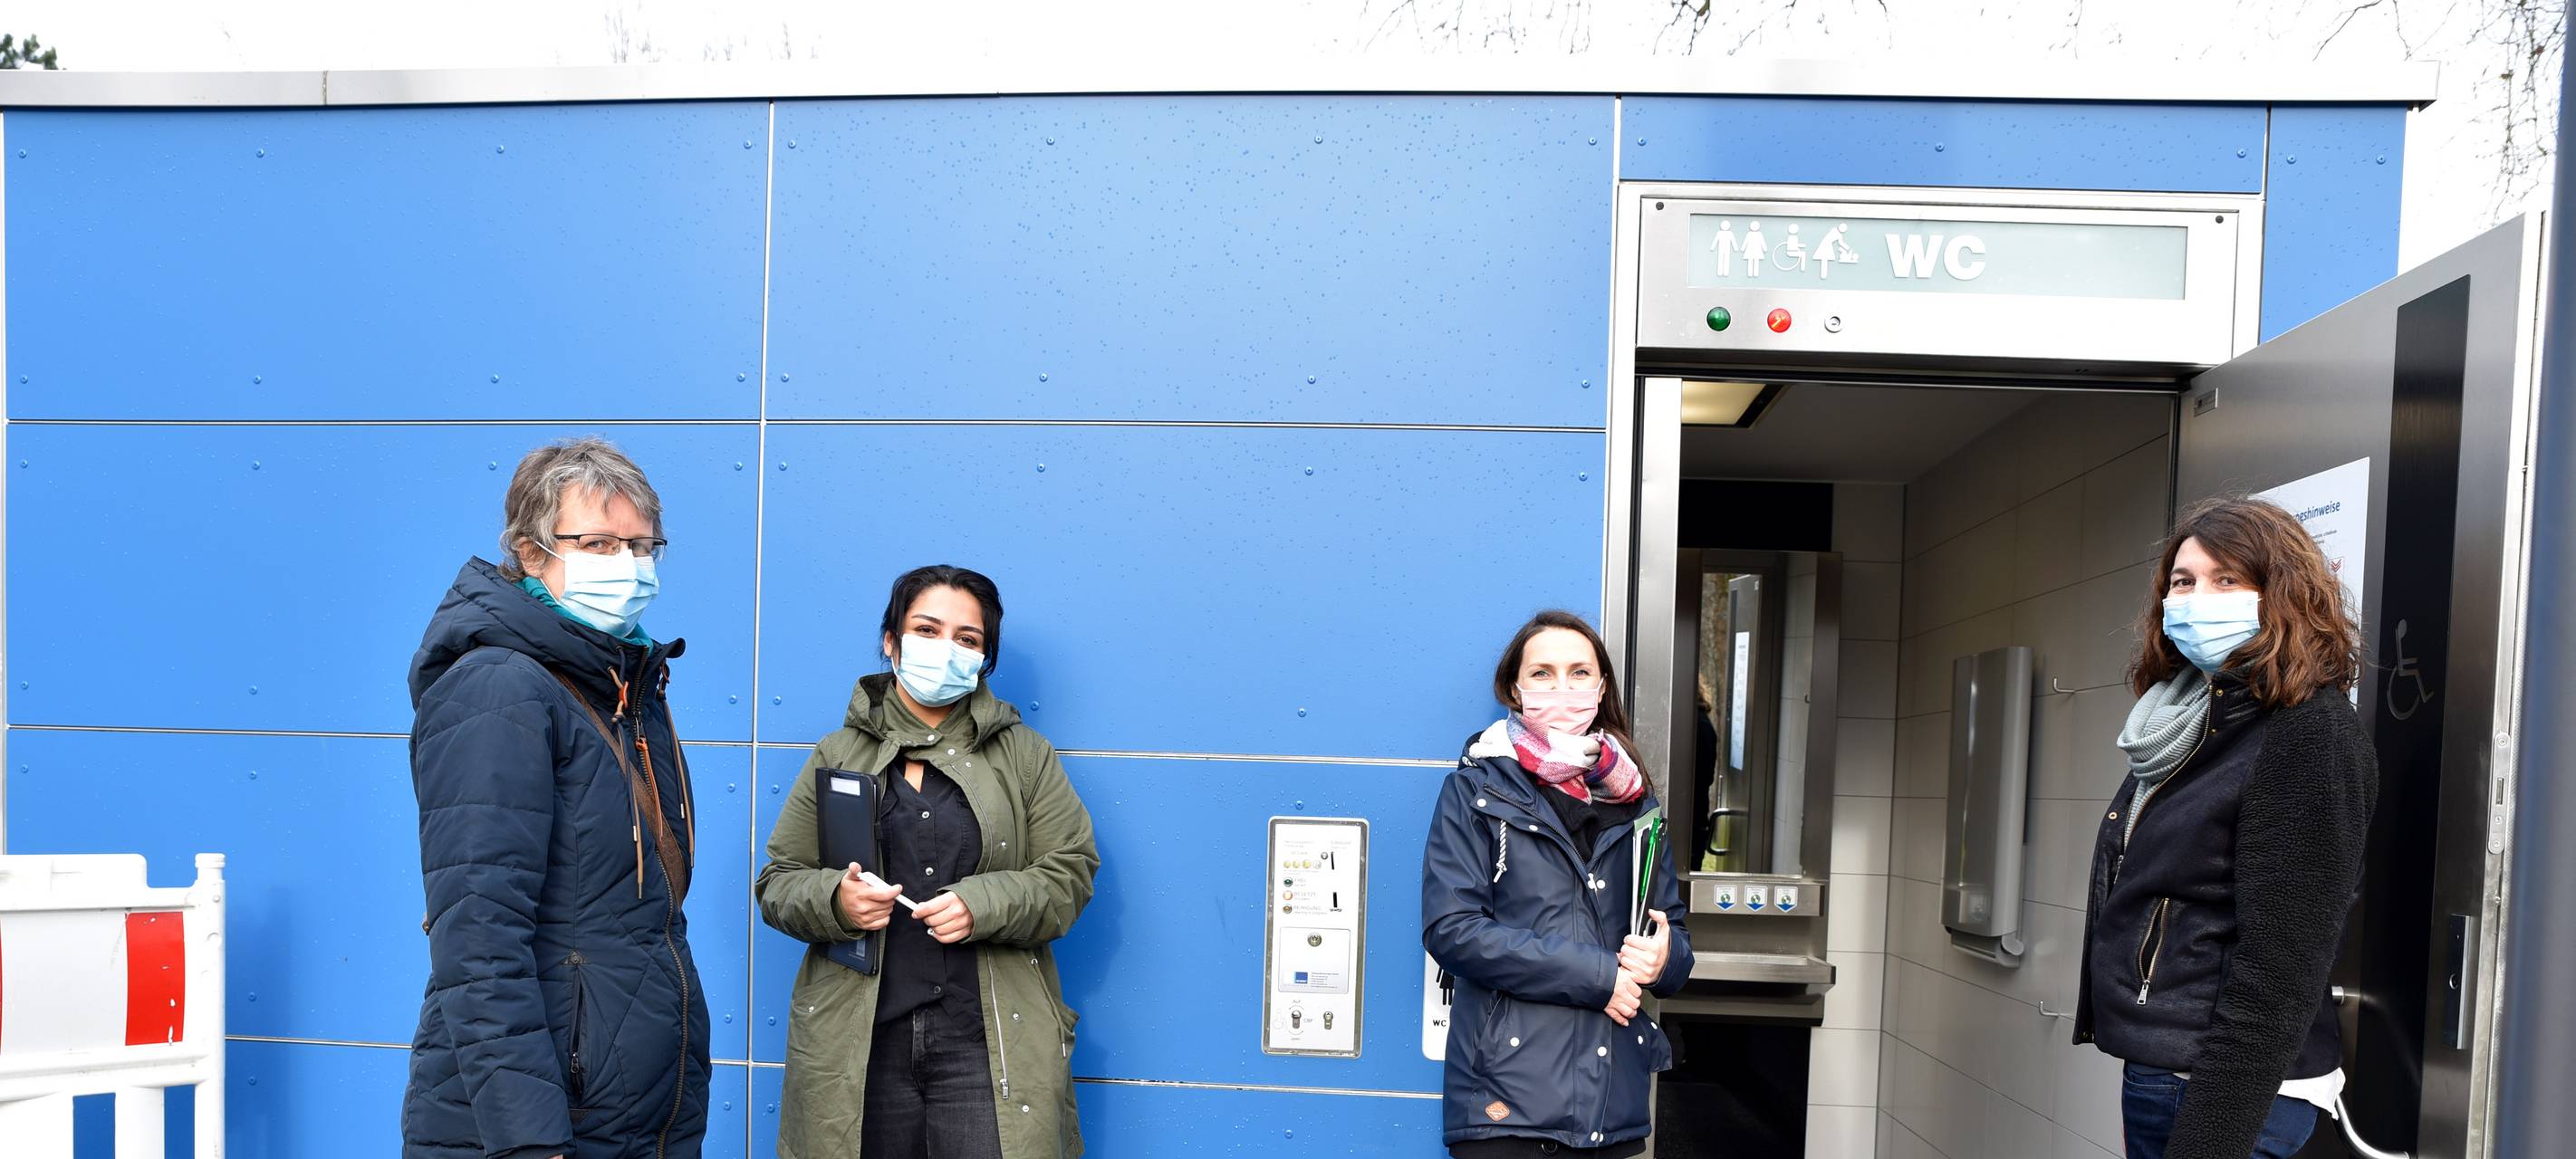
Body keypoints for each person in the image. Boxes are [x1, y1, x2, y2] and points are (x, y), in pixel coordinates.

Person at [402, 436, 709, 1159]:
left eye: (641, 546)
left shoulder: (624, 690)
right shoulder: (499, 689)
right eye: (598, 544)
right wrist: (529, 1142)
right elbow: (479, 942)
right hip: (544, 1126)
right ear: (531, 552)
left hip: (631, 1115)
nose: (628, 565)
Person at [756, 565, 1100, 1159]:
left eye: (967, 638)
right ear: (891, 641)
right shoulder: (838, 754)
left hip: (986, 1044)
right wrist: (837, 900)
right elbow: (779, 882)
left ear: (984, 658)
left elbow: (1069, 873)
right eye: (927, 629)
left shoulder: (1025, 756)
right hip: (861, 1043)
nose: (946, 649)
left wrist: (982, 904)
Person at [2075, 497, 2379, 1159]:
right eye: (2183, 582)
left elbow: (2281, 966)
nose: (2196, 600)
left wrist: (2211, 1139)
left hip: (2230, 1098)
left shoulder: (2308, 733)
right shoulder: (2190, 721)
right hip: (2168, 1074)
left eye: (2227, 579)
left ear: (2283, 594)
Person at [1422, 610, 1695, 1158]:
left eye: (1579, 672)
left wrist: (1665, 959)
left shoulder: (1638, 802)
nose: (1562, 688)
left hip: (1612, 1112)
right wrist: (1599, 975)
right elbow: (1452, 930)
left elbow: (1674, 937)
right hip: (1507, 1109)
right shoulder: (1476, 791)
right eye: (1542, 673)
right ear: (1515, 688)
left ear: (1601, 687)